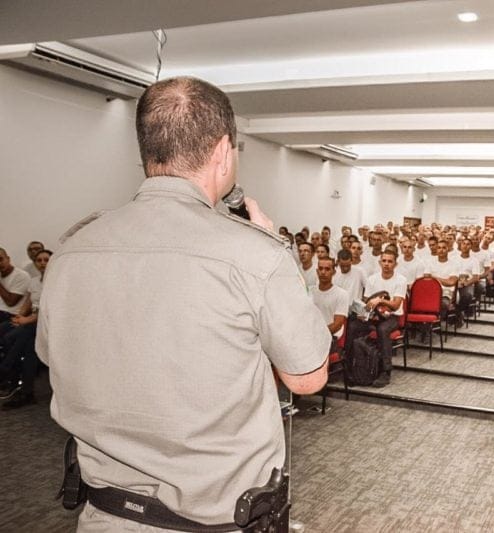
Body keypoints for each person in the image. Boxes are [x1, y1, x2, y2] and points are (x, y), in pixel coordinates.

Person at [36, 76, 330, 530]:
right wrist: (279, 254)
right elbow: (307, 377)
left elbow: (51, 357)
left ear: (145, 151)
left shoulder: (71, 250)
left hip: (103, 515)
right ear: (223, 151)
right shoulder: (255, 254)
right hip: (214, 519)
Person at [0, 248, 51, 408]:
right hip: (33, 322)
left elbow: (47, 310)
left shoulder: (55, 281)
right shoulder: (34, 281)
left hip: (47, 322)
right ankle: (25, 391)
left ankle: (6, 371)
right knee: (28, 346)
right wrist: (19, 317)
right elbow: (28, 303)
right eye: (39, 260)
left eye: (46, 260)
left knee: (13, 337)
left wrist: (26, 320)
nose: (42, 263)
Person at [347, 251, 406, 387]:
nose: (386, 264)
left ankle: (386, 371)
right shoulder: (372, 279)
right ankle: (350, 368)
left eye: (390, 261)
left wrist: (380, 300)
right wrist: (362, 312)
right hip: (373, 316)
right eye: (384, 261)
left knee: (382, 329)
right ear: (380, 262)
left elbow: (396, 305)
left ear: (395, 264)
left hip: (392, 317)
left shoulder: (400, 280)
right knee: (353, 326)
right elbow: (366, 302)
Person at [311, 256, 349, 355]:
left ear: (334, 272)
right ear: (317, 271)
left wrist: (317, 334)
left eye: (327, 269)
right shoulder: (309, 292)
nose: (323, 272)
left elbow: (337, 325)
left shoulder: (342, 294)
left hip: (331, 337)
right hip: (310, 336)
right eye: (320, 269)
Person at [0, 248, 31, 323]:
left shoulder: (21, 275)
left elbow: (10, 302)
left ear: (8, 259)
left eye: (0, 259)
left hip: (10, 314)